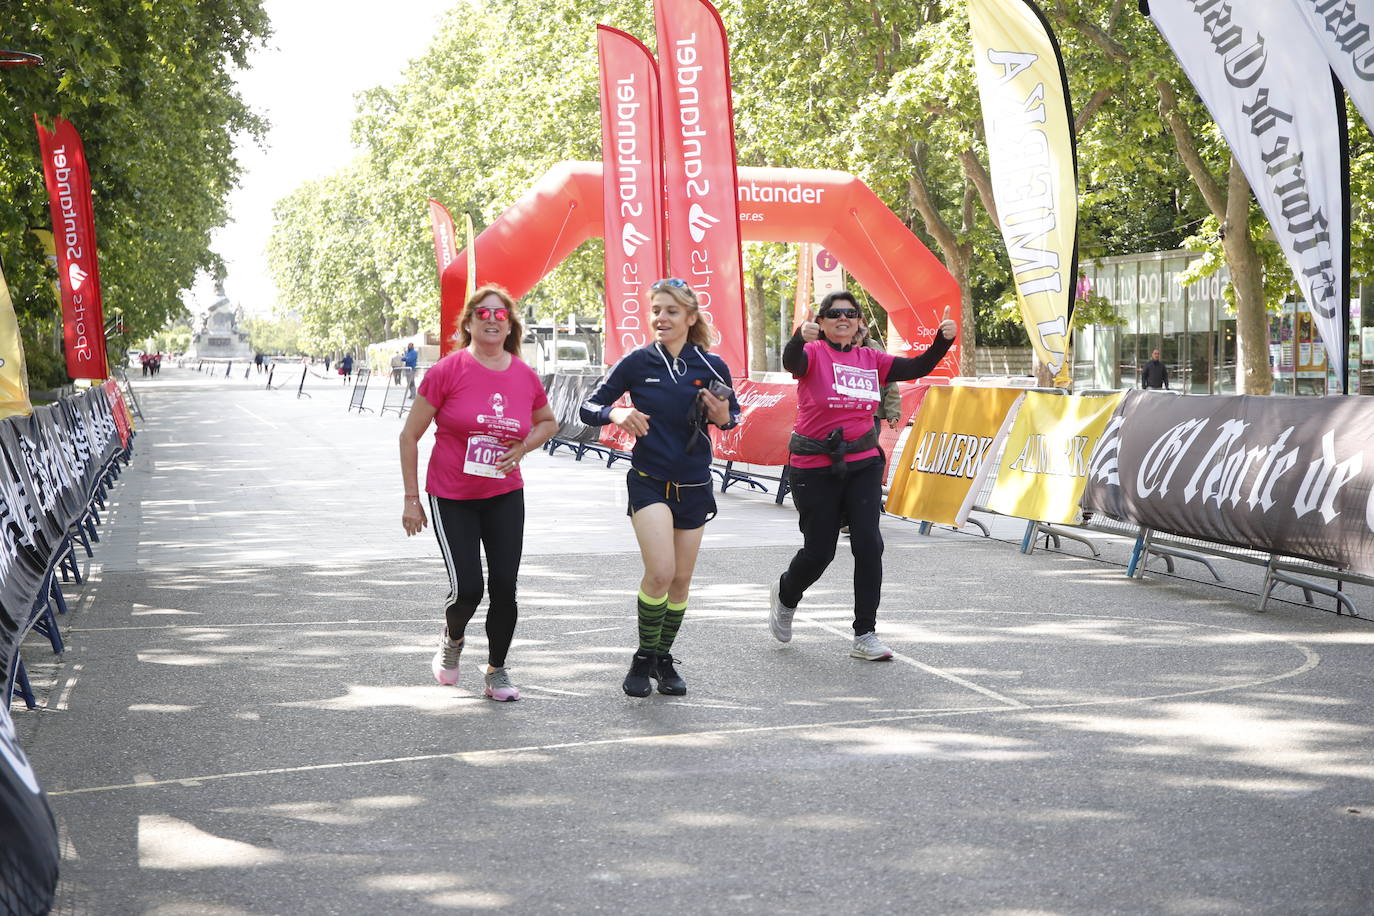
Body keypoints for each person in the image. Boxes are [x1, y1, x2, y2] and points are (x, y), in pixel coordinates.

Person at [768, 290, 956, 660]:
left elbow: (917, 367)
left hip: (863, 461)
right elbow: (792, 361)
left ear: (858, 323)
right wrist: (796, 338)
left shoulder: (871, 359)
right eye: (834, 313)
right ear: (820, 323)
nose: (843, 318)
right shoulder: (811, 353)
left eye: (850, 313)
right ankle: (786, 594)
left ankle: (865, 633)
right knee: (819, 552)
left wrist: (942, 341)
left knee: (869, 543)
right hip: (813, 465)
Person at [580, 278, 740, 698]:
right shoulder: (636, 362)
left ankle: (661, 658)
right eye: (656, 310)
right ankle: (641, 655)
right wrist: (616, 415)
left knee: (681, 582)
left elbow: (731, 420)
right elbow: (589, 406)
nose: (661, 318)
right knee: (661, 573)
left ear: (690, 317)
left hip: (695, 484)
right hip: (649, 481)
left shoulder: (711, 366)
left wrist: (723, 414)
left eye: (671, 310)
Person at [400, 285, 558, 702]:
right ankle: (452, 639)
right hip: (451, 494)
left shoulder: (524, 375)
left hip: (505, 493)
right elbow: (409, 436)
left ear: (509, 325)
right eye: (482, 314)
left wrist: (524, 447)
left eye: (500, 314)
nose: (491, 319)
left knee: (505, 585)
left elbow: (547, 422)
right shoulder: (446, 372)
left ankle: (497, 670)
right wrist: (411, 499)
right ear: (468, 323)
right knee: (469, 588)